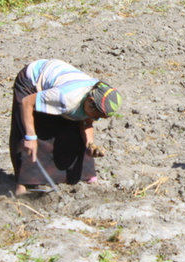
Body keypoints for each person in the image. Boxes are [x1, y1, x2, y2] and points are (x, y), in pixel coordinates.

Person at [9, 59, 122, 195]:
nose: (96, 118)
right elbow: (27, 103)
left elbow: (86, 122)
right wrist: (30, 137)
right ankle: (23, 185)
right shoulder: (65, 98)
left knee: (73, 134)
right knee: (31, 133)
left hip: (60, 88)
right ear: (90, 101)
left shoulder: (92, 99)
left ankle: (81, 177)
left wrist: (90, 145)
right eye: (97, 115)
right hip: (32, 82)